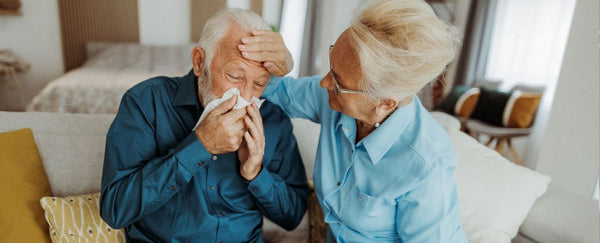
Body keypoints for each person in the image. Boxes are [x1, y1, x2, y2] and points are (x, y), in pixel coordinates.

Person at [239, 0, 467, 242]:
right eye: (331, 67)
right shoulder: (335, 99)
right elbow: (276, 90)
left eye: (338, 82)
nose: (324, 83)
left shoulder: (427, 163)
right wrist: (279, 59)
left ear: (385, 103)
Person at [99, 8, 308, 242]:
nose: (246, 96)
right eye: (235, 77)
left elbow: (293, 217)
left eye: (259, 83)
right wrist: (200, 146)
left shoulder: (273, 120)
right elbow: (115, 209)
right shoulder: (147, 103)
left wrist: (255, 173)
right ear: (200, 62)